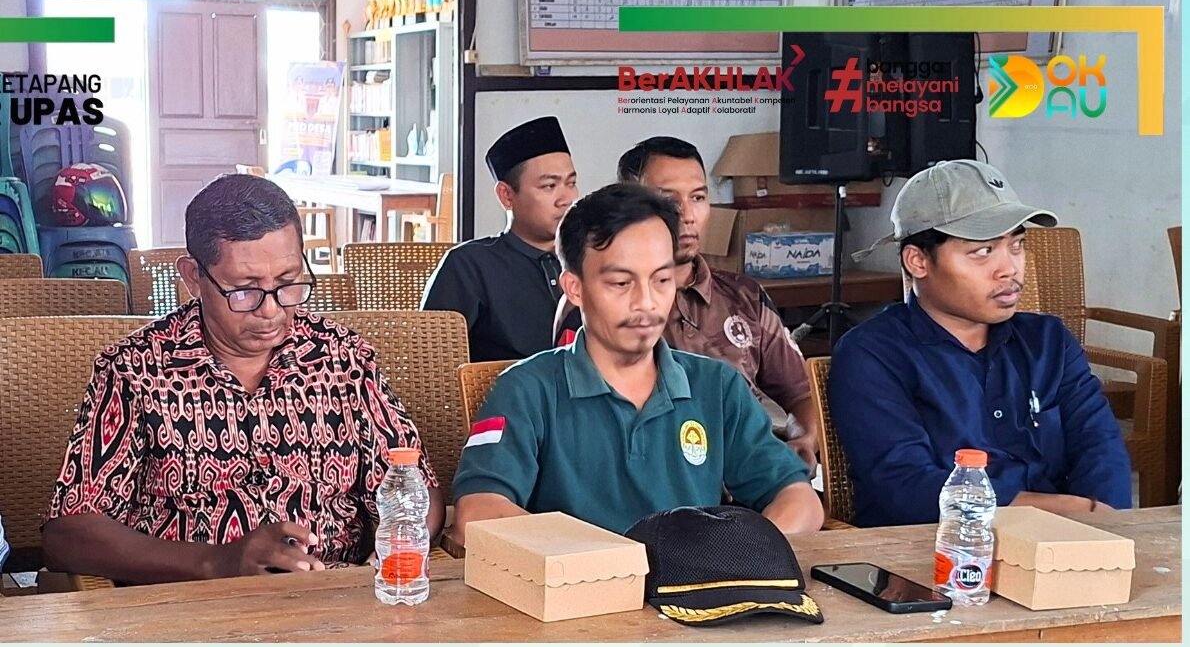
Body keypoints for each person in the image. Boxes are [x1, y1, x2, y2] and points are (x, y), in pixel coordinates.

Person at [42, 174, 445, 584]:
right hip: (192, 611)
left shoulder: (344, 359)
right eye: (244, 290)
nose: (270, 311)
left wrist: (396, 545)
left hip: (337, 601)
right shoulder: (135, 370)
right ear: (193, 276)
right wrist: (215, 562)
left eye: (288, 283)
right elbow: (69, 532)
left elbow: (416, 486)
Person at [452, 183, 824, 541]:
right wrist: (618, 565)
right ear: (574, 288)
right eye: (620, 283)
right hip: (576, 595)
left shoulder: (716, 387)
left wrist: (730, 554)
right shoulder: (527, 388)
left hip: (695, 594)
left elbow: (799, 501)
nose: (646, 303)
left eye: (661, 280)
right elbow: (478, 513)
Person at [831, 160, 1132, 527]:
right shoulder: (873, 355)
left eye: (1017, 245)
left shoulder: (1049, 342)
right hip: (929, 557)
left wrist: (1101, 524)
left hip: (1064, 548)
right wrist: (1064, 512)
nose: (1009, 269)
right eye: (983, 251)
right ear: (918, 261)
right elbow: (907, 488)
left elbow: (1101, 449)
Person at [555, 137, 819, 470]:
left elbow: (801, 393)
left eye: (698, 197)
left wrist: (803, 438)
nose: (686, 215)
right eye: (667, 199)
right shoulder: (598, 301)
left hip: (750, 477)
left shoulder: (744, 296)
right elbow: (583, 421)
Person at [421, 116, 578, 361]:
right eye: (549, 186)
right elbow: (432, 367)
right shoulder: (469, 265)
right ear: (506, 195)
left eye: (571, 183)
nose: (566, 198)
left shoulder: (588, 258)